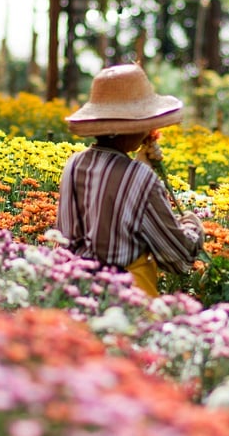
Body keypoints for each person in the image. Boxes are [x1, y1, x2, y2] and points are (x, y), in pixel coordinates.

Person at [56, 63, 205, 296]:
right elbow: (176, 256)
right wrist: (192, 225)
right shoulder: (140, 179)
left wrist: (140, 165)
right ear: (130, 127)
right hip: (123, 298)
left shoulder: (74, 164)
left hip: (72, 291)